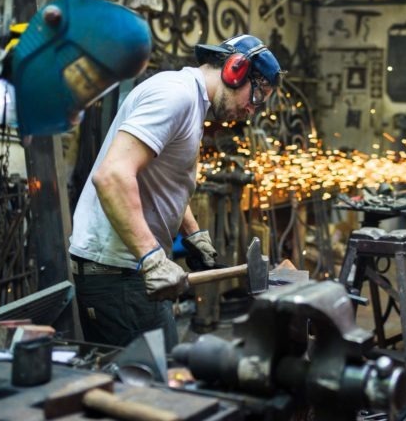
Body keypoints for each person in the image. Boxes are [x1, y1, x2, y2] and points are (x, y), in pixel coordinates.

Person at [68, 34, 283, 351]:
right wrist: (152, 258)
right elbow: (112, 175)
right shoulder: (176, 96)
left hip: (132, 270)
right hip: (119, 273)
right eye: (258, 95)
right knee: (153, 389)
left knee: (161, 376)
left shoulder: (192, 102)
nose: (253, 110)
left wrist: (193, 233)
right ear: (236, 69)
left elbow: (163, 178)